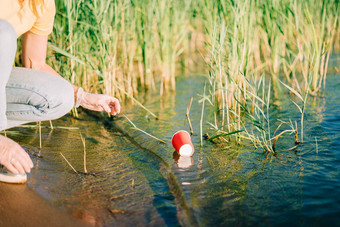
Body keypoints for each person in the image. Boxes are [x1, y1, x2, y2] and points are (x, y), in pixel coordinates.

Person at [0, 0, 121, 180]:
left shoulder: (42, 4)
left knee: (61, 97)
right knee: (4, 32)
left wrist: (83, 97)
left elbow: (36, 63)